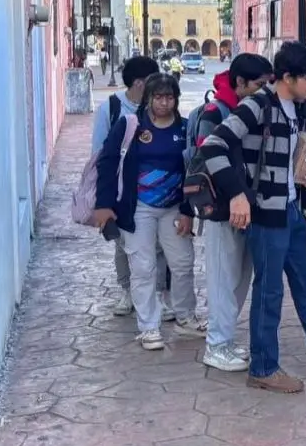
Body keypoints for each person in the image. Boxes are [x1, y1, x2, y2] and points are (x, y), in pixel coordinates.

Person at [199, 41, 306, 393]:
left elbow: (304, 150)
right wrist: (237, 195)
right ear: (288, 77)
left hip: (290, 210)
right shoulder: (258, 105)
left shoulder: (296, 108)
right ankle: (263, 368)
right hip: (266, 215)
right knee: (269, 291)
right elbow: (213, 147)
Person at [93, 73, 204, 350]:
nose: (164, 103)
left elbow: (194, 171)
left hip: (174, 209)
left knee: (181, 264)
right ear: (148, 98)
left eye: (169, 97)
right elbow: (107, 163)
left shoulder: (186, 128)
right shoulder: (130, 126)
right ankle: (149, 328)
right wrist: (104, 206)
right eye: (158, 97)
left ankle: (185, 317)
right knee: (142, 268)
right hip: (138, 208)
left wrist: (189, 211)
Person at [189, 53, 274, 372]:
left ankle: (225, 339)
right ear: (240, 83)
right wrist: (236, 196)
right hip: (224, 208)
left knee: (240, 279)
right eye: (260, 85)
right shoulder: (216, 112)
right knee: (223, 278)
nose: (266, 91)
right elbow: (206, 158)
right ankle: (216, 345)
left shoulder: (253, 110)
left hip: (248, 207)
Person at [90, 55, 173, 318]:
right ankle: (127, 291)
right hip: (122, 189)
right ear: (139, 83)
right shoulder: (112, 108)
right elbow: (99, 153)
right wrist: (102, 199)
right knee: (123, 243)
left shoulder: (156, 108)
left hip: (154, 189)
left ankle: (159, 294)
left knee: (158, 244)